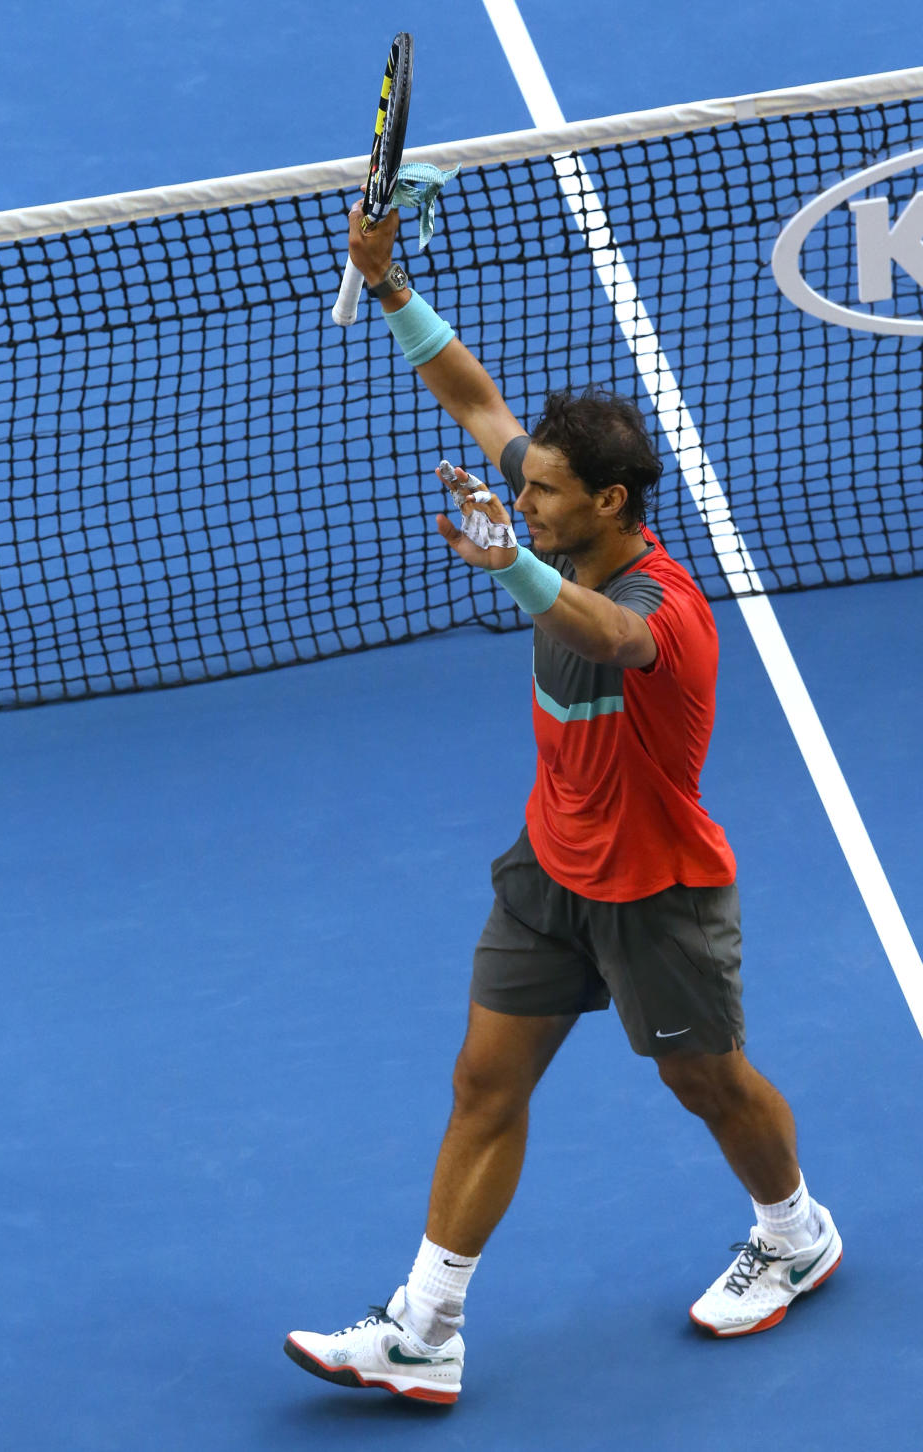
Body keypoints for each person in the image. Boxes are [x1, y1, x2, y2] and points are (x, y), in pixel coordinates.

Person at [284, 202, 841, 1407]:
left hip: (657, 893)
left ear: (613, 505)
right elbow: (476, 399)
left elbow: (607, 633)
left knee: (707, 1084)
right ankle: (426, 1330)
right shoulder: (553, 510)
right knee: (485, 1083)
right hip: (551, 872)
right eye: (523, 488)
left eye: (544, 493)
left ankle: (797, 1233)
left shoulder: (667, 611)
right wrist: (386, 287)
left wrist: (517, 566)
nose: (521, 498)